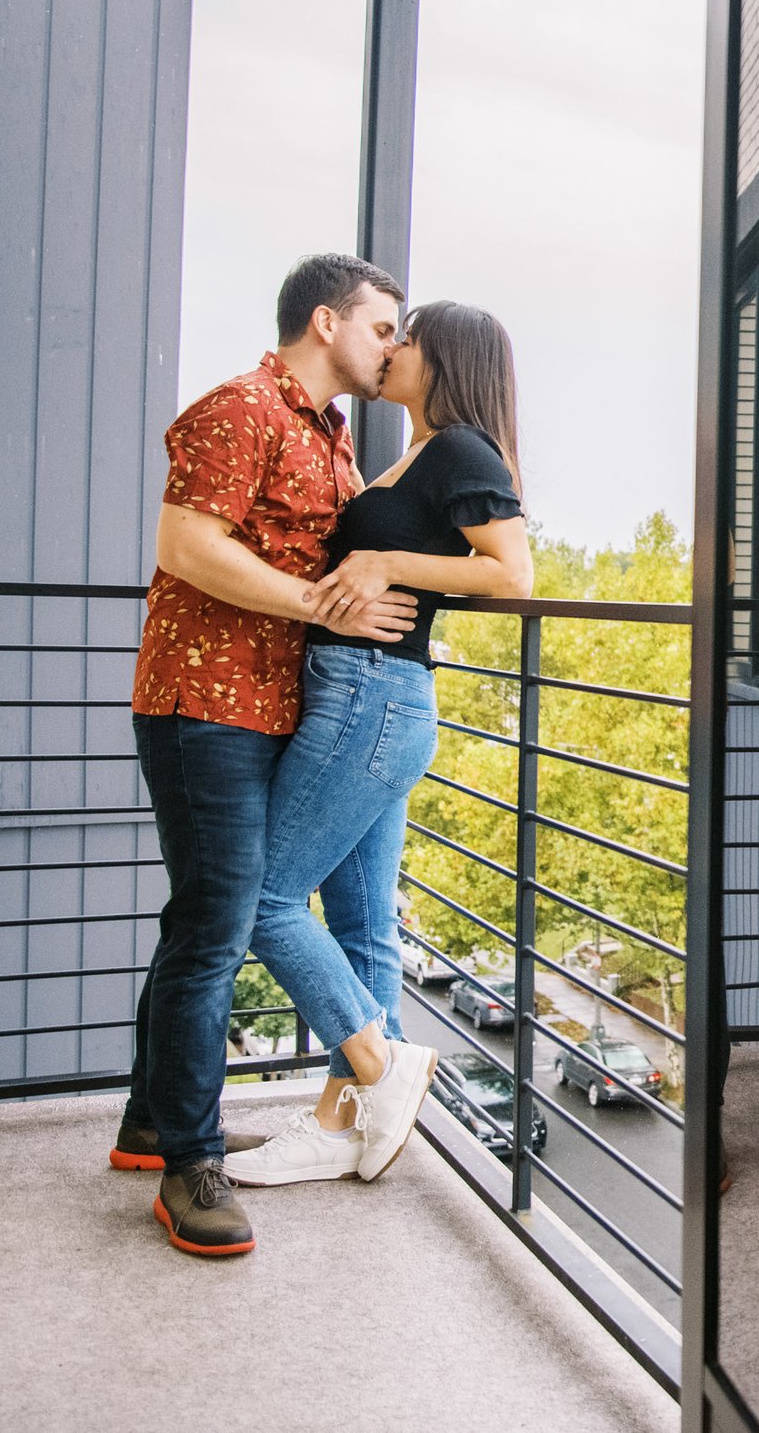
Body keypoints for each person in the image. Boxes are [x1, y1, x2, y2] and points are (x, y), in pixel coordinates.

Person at [114, 253, 418, 1257]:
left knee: (201, 917)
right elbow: (186, 544)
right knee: (217, 925)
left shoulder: (327, 435)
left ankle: (154, 1120)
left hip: (266, 710)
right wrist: (317, 602)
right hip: (206, 706)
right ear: (326, 321)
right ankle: (189, 1164)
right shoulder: (239, 408)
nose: (393, 345)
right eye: (382, 326)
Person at [222, 300, 532, 1188]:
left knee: (262, 897)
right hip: (366, 699)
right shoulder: (413, 453)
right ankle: (342, 1125)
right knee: (362, 927)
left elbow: (513, 573)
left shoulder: (464, 448)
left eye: (407, 336)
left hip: (372, 699)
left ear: (446, 357)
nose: (390, 349)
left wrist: (386, 564)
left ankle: (383, 1065)